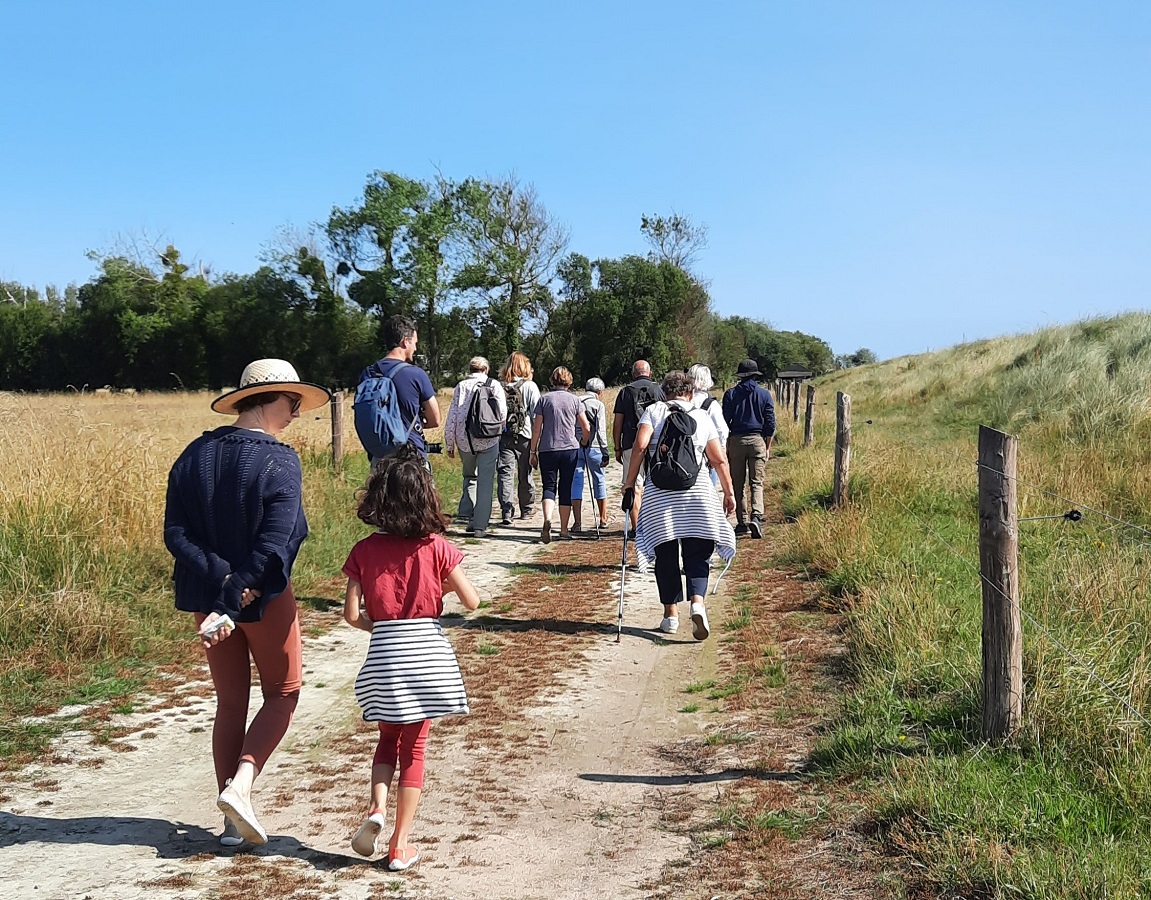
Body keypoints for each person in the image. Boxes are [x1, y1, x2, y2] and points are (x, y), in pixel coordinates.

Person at [164, 359, 332, 847]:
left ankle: (230, 824)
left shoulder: (193, 454)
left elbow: (176, 534)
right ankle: (241, 786)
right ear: (268, 399)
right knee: (284, 692)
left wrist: (221, 585)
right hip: (261, 599)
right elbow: (277, 543)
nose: (298, 412)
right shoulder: (280, 460)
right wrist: (240, 588)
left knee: (230, 701)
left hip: (210, 601)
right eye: (292, 402)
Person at [342, 444, 480, 870]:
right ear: (426, 497)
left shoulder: (364, 551)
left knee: (386, 738)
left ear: (378, 500)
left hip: (386, 655)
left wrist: (381, 626)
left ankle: (375, 810)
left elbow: (351, 615)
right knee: (415, 750)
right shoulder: (437, 546)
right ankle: (400, 845)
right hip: (426, 655)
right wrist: (433, 595)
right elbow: (472, 601)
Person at [622, 371, 736, 640]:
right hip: (697, 495)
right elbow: (718, 460)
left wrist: (630, 483)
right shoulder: (701, 416)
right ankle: (697, 602)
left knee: (666, 555)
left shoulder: (653, 412)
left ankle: (670, 616)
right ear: (690, 392)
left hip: (659, 496)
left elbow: (639, 448)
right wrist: (729, 492)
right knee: (698, 553)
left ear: (665, 392)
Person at [357, 315, 442, 464]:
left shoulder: (368, 373)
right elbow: (435, 419)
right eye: (414, 343)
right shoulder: (416, 374)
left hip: (380, 459)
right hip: (411, 458)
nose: (415, 348)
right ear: (405, 342)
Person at [444, 357, 507, 537]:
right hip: (489, 438)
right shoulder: (494, 384)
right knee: (486, 483)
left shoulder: (461, 386)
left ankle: (467, 513)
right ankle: (479, 526)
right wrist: (497, 430)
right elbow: (502, 412)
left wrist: (450, 443)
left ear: (470, 369)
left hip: (465, 440)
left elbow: (453, 416)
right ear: (486, 369)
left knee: (470, 475)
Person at [528, 367, 591, 543]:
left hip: (548, 448)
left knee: (549, 486)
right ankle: (563, 529)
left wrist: (533, 451)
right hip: (569, 449)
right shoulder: (575, 400)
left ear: (552, 380)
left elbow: (536, 428)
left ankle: (547, 518)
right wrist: (584, 440)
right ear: (569, 381)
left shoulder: (544, 400)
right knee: (565, 487)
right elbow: (586, 426)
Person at [722, 359, 776, 539]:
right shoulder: (765, 395)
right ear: (755, 375)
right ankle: (757, 516)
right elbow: (770, 423)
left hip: (736, 440)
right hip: (757, 439)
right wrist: (767, 446)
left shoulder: (730, 394)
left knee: (738, 483)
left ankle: (742, 521)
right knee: (756, 481)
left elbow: (724, 421)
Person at [613, 360, 665, 534]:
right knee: (657, 485)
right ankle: (655, 526)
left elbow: (617, 422)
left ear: (633, 374)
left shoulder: (625, 392)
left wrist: (617, 448)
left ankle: (637, 528)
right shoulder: (659, 390)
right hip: (656, 444)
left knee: (633, 486)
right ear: (649, 373)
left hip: (630, 443)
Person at [496, 351, 541, 525]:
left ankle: (507, 511)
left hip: (504, 435)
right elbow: (536, 413)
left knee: (505, 474)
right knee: (525, 473)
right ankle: (527, 509)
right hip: (525, 434)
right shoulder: (530, 386)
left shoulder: (499, 386)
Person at [571, 377, 610, 532]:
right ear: (599, 392)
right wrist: (605, 451)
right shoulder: (598, 405)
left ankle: (577, 522)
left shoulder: (575, 402)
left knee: (576, 481)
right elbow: (600, 431)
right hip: (594, 447)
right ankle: (603, 519)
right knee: (599, 480)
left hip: (576, 445)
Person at [687, 363, 729, 489]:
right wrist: (720, 453)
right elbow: (722, 431)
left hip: (685, 454)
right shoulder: (711, 405)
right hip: (706, 456)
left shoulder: (683, 401)